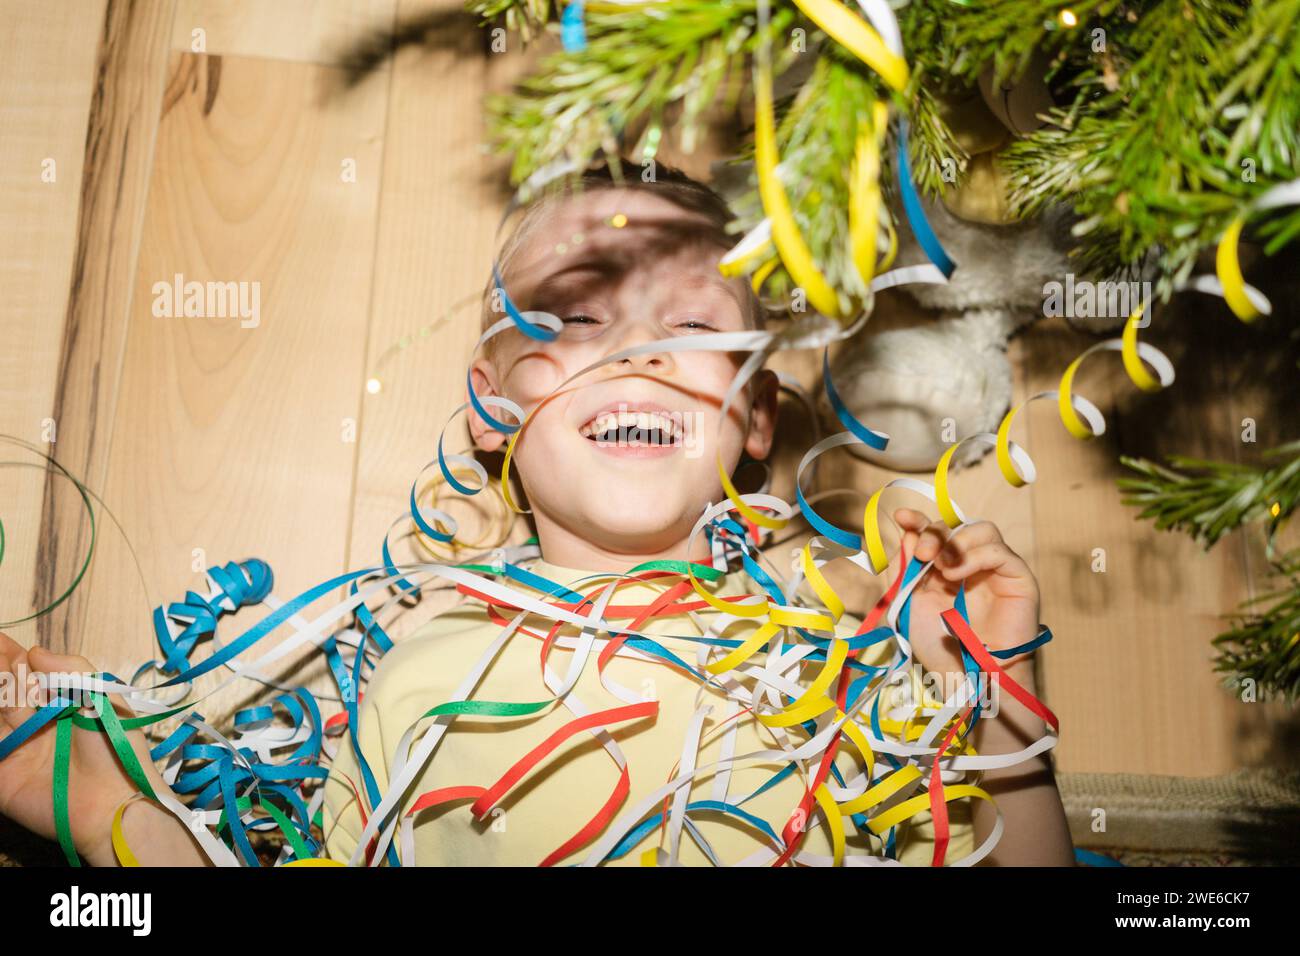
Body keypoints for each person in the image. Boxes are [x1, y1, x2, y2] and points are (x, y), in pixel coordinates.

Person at [0, 160, 1075, 867]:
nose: (636, 352)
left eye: (691, 327)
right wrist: (105, 802)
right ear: (491, 403)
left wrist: (992, 691)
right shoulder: (395, 643)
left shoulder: (832, 648)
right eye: (574, 317)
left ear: (754, 414)